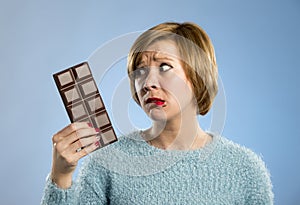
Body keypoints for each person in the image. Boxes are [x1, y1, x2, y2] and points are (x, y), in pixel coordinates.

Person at [41, 22, 273, 204]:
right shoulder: (108, 162)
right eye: (139, 71)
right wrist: (61, 176)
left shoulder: (245, 168)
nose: (147, 82)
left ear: (197, 76)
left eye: (164, 67)